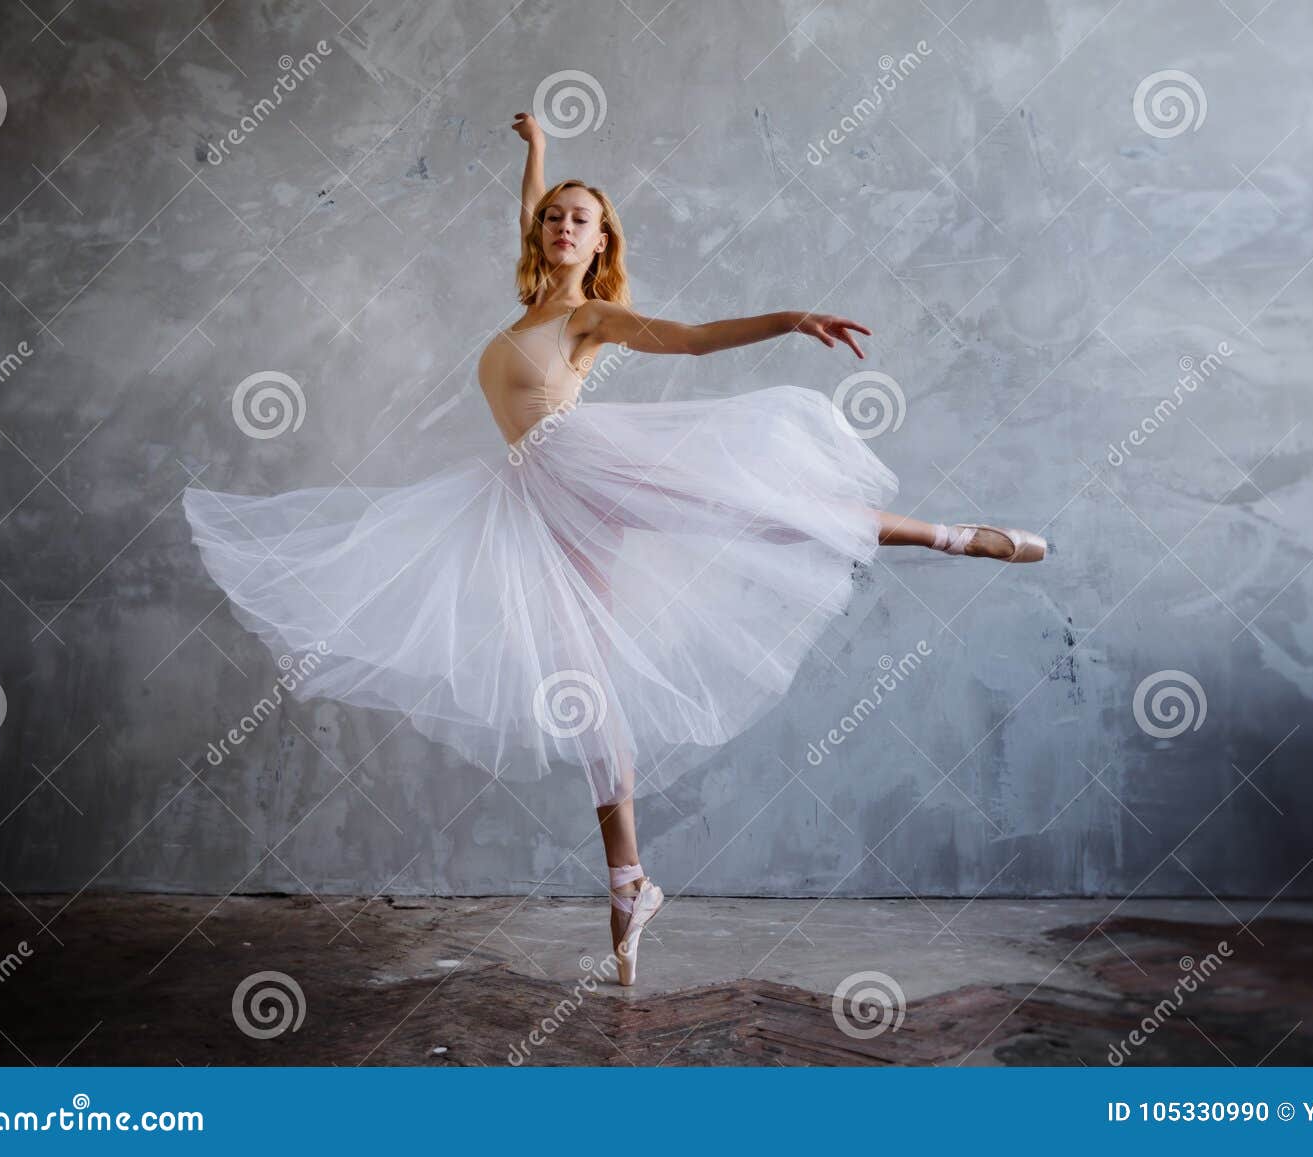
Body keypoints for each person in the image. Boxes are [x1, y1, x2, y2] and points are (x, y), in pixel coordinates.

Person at [181, 110, 1046, 987]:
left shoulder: (593, 316)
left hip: (585, 466)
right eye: (554, 216)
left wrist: (791, 318)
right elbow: (528, 207)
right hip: (539, 503)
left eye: (580, 220)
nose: (560, 225)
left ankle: (952, 534)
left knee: (751, 507)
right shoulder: (531, 304)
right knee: (584, 682)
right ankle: (629, 881)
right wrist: (538, 155)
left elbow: (696, 339)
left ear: (601, 243)